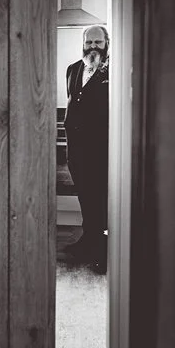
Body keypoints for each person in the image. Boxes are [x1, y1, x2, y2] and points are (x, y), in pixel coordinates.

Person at [63, 24, 110, 273]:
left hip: (101, 149)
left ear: (106, 43)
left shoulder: (113, 70)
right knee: (85, 197)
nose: (93, 46)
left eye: (98, 42)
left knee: (101, 200)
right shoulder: (72, 69)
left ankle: (102, 250)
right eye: (89, 42)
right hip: (76, 150)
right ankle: (88, 239)